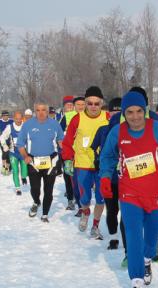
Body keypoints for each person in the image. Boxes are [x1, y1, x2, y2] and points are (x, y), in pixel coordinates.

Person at [99, 91, 158, 288]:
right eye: (130, 112)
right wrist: (104, 177)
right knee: (132, 235)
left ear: (145, 111)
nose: (135, 116)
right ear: (124, 113)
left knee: (151, 238)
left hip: (155, 192)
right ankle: (136, 283)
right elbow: (108, 156)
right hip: (129, 193)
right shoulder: (117, 133)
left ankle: (147, 259)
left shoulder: (156, 128)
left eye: (139, 111)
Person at [61, 86, 110, 239]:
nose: (93, 107)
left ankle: (95, 226)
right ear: (85, 103)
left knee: (101, 198)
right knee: (84, 198)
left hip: (102, 165)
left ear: (101, 104)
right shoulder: (78, 118)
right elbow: (68, 141)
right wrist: (68, 160)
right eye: (90, 103)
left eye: (97, 103)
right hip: (82, 164)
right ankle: (85, 211)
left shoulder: (108, 117)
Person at [16, 101, 64, 222]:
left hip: (51, 161)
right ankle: (36, 202)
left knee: (49, 190)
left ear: (47, 111)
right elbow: (20, 144)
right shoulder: (27, 125)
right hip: (33, 161)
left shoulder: (54, 124)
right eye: (38, 110)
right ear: (34, 112)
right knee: (35, 189)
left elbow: (60, 141)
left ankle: (45, 215)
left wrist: (65, 152)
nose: (41, 113)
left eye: (43, 110)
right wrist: (25, 156)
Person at [91, 97, 123, 250]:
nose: (116, 113)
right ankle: (113, 238)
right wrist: (97, 161)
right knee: (112, 210)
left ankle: (127, 237)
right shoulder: (103, 130)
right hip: (109, 177)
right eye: (113, 110)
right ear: (108, 112)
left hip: (127, 178)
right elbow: (94, 148)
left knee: (127, 210)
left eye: (119, 110)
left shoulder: (131, 131)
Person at [0, 111, 28, 195]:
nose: (18, 121)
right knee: (15, 170)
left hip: (23, 153)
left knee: (24, 171)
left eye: (20, 119)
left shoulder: (25, 126)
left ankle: (23, 177)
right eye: (17, 119)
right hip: (13, 152)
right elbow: (2, 137)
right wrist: (4, 146)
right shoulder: (10, 127)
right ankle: (18, 188)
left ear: (22, 118)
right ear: (14, 119)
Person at [59, 95, 78, 211]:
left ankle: (78, 195)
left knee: (77, 175)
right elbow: (58, 134)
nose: (70, 107)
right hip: (66, 153)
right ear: (64, 107)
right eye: (68, 105)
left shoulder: (79, 116)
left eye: (72, 105)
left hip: (79, 152)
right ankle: (70, 200)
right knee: (68, 175)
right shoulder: (63, 118)